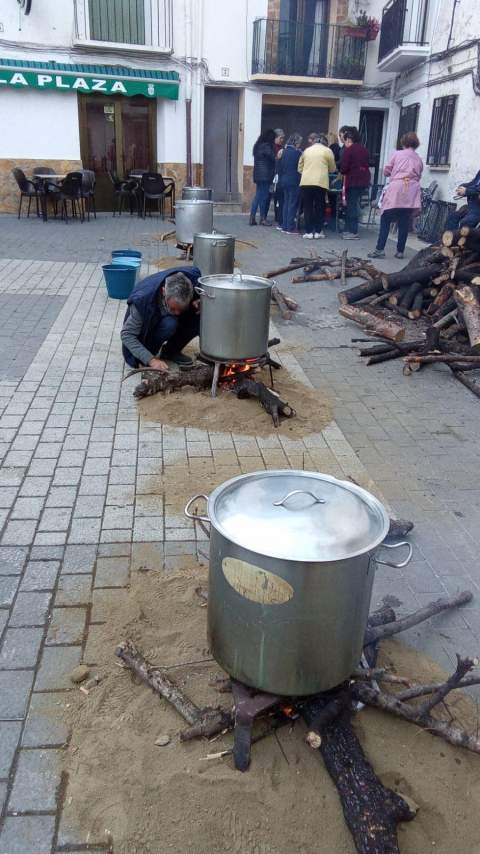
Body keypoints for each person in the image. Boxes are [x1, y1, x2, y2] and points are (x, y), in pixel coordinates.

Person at [121, 268, 201, 370]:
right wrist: (150, 359)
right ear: (164, 291)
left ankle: (170, 351)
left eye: (181, 309)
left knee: (197, 313)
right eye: (173, 308)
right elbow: (127, 335)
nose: (177, 313)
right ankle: (150, 351)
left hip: (164, 312)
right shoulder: (142, 301)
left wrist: (201, 299)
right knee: (170, 323)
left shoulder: (194, 279)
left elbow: (207, 286)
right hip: (145, 332)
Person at [368, 132, 423, 259]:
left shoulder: (397, 154)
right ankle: (400, 251)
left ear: (403, 142)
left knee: (386, 219)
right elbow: (419, 175)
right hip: (411, 191)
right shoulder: (418, 159)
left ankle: (380, 249)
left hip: (397, 189)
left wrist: (395, 173)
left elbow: (387, 170)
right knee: (404, 221)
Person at [298, 132, 336, 239]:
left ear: (314, 142)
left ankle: (309, 232)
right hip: (320, 182)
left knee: (307, 207)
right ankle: (318, 231)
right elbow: (333, 168)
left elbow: (299, 168)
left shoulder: (306, 150)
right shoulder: (327, 151)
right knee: (320, 206)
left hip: (306, 182)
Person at [339, 128, 370, 240]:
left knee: (351, 205)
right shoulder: (364, 150)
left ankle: (352, 231)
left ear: (349, 138)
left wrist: (343, 170)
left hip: (353, 180)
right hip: (364, 180)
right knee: (354, 204)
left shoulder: (349, 150)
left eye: (345, 139)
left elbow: (343, 168)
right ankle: (349, 229)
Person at [277, 132, 303, 234]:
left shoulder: (283, 152)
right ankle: (290, 227)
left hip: (284, 180)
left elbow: (279, 166)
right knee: (292, 204)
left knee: (286, 203)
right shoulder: (298, 153)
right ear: (296, 142)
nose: (300, 144)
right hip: (294, 181)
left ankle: (284, 226)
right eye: (299, 142)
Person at [250, 129, 276, 226]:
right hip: (265, 175)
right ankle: (261, 219)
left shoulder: (258, 146)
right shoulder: (267, 147)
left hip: (258, 175)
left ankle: (255, 218)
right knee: (262, 197)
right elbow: (273, 158)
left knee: (259, 196)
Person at [272, 128, 286, 224]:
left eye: (283, 138)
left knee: (279, 197)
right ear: (276, 137)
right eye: (281, 138)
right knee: (276, 196)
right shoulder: (273, 147)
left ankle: (278, 216)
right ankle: (277, 216)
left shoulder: (282, 147)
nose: (282, 140)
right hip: (274, 175)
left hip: (280, 174)